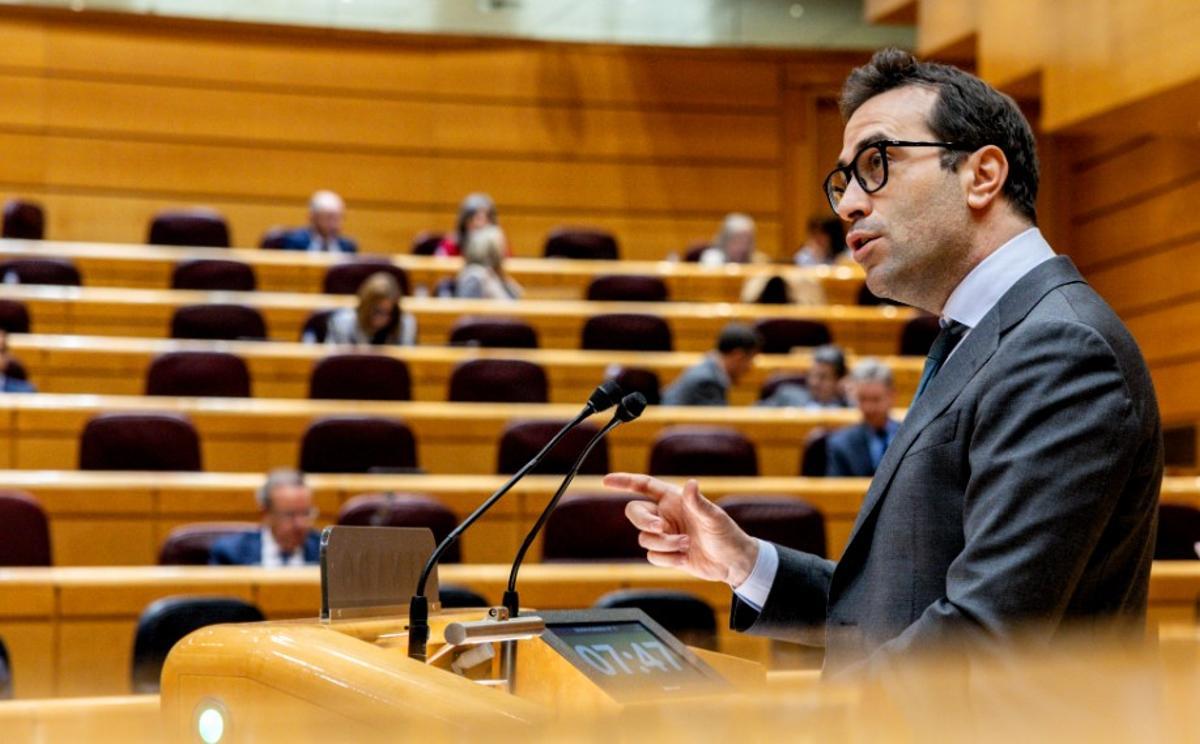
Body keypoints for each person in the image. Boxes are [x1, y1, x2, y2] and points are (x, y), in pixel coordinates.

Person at [605, 48, 1162, 676]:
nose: (847, 205)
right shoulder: (985, 335)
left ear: (981, 175)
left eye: (877, 164)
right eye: (842, 181)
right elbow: (901, 607)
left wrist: (788, 724)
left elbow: (978, 637)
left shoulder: (1061, 349)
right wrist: (746, 563)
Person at [209, 468, 321, 566]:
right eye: (290, 515)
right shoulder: (230, 554)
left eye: (306, 513)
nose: (300, 524)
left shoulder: (326, 554)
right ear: (266, 514)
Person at [825, 359, 898, 477]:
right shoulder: (840, 444)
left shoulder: (911, 438)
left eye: (876, 399)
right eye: (862, 399)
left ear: (892, 396)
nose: (869, 408)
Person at [661, 324, 761, 407]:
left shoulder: (709, 370)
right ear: (738, 356)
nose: (749, 368)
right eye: (750, 360)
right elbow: (719, 425)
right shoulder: (706, 382)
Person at [324, 271, 417, 346]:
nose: (384, 318)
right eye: (378, 311)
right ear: (365, 307)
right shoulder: (341, 325)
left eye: (390, 313)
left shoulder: (406, 326)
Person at [757, 345, 850, 409]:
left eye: (823, 377)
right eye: (812, 375)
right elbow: (755, 414)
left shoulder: (850, 405)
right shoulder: (787, 396)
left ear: (839, 380)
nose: (814, 383)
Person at [454, 225, 522, 300]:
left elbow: (516, 296)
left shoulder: (494, 273)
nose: (504, 251)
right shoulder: (474, 277)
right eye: (501, 246)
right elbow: (468, 309)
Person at [280, 190, 358, 253]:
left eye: (339, 218)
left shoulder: (348, 246)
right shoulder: (294, 243)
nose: (335, 225)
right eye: (329, 218)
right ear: (313, 217)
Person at [437, 192, 497, 257]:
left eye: (482, 219)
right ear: (464, 222)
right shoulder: (451, 246)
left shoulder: (498, 246)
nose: (478, 224)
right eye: (472, 219)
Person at [699, 213, 767, 266]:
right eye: (738, 241)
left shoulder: (757, 261)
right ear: (726, 240)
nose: (743, 247)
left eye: (748, 242)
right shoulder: (713, 259)